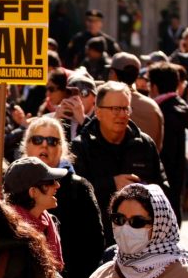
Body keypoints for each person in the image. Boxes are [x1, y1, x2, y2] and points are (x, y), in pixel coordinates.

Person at [71, 81, 169, 244]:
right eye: (115, 109)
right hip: (97, 239)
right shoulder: (81, 147)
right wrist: (111, 184)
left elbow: (163, 187)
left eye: (125, 109)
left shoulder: (144, 144)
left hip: (140, 239)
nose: (122, 114)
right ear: (98, 112)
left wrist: (144, 193)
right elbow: (75, 196)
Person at [22, 116, 104, 278]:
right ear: (27, 146)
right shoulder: (13, 184)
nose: (45, 146)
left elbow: (94, 244)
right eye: (38, 140)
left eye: (52, 141)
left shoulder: (78, 188)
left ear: (61, 149)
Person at [148, 62, 188, 225]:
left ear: (154, 86)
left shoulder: (161, 112)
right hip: (176, 188)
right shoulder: (180, 109)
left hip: (162, 190)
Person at [3, 156, 67, 269]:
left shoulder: (49, 222)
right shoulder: (10, 233)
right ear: (33, 192)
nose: (57, 185)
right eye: (49, 182)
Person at [111, 51, 163, 149]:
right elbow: (158, 146)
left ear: (113, 74)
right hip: (147, 162)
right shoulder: (152, 106)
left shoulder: (105, 102)